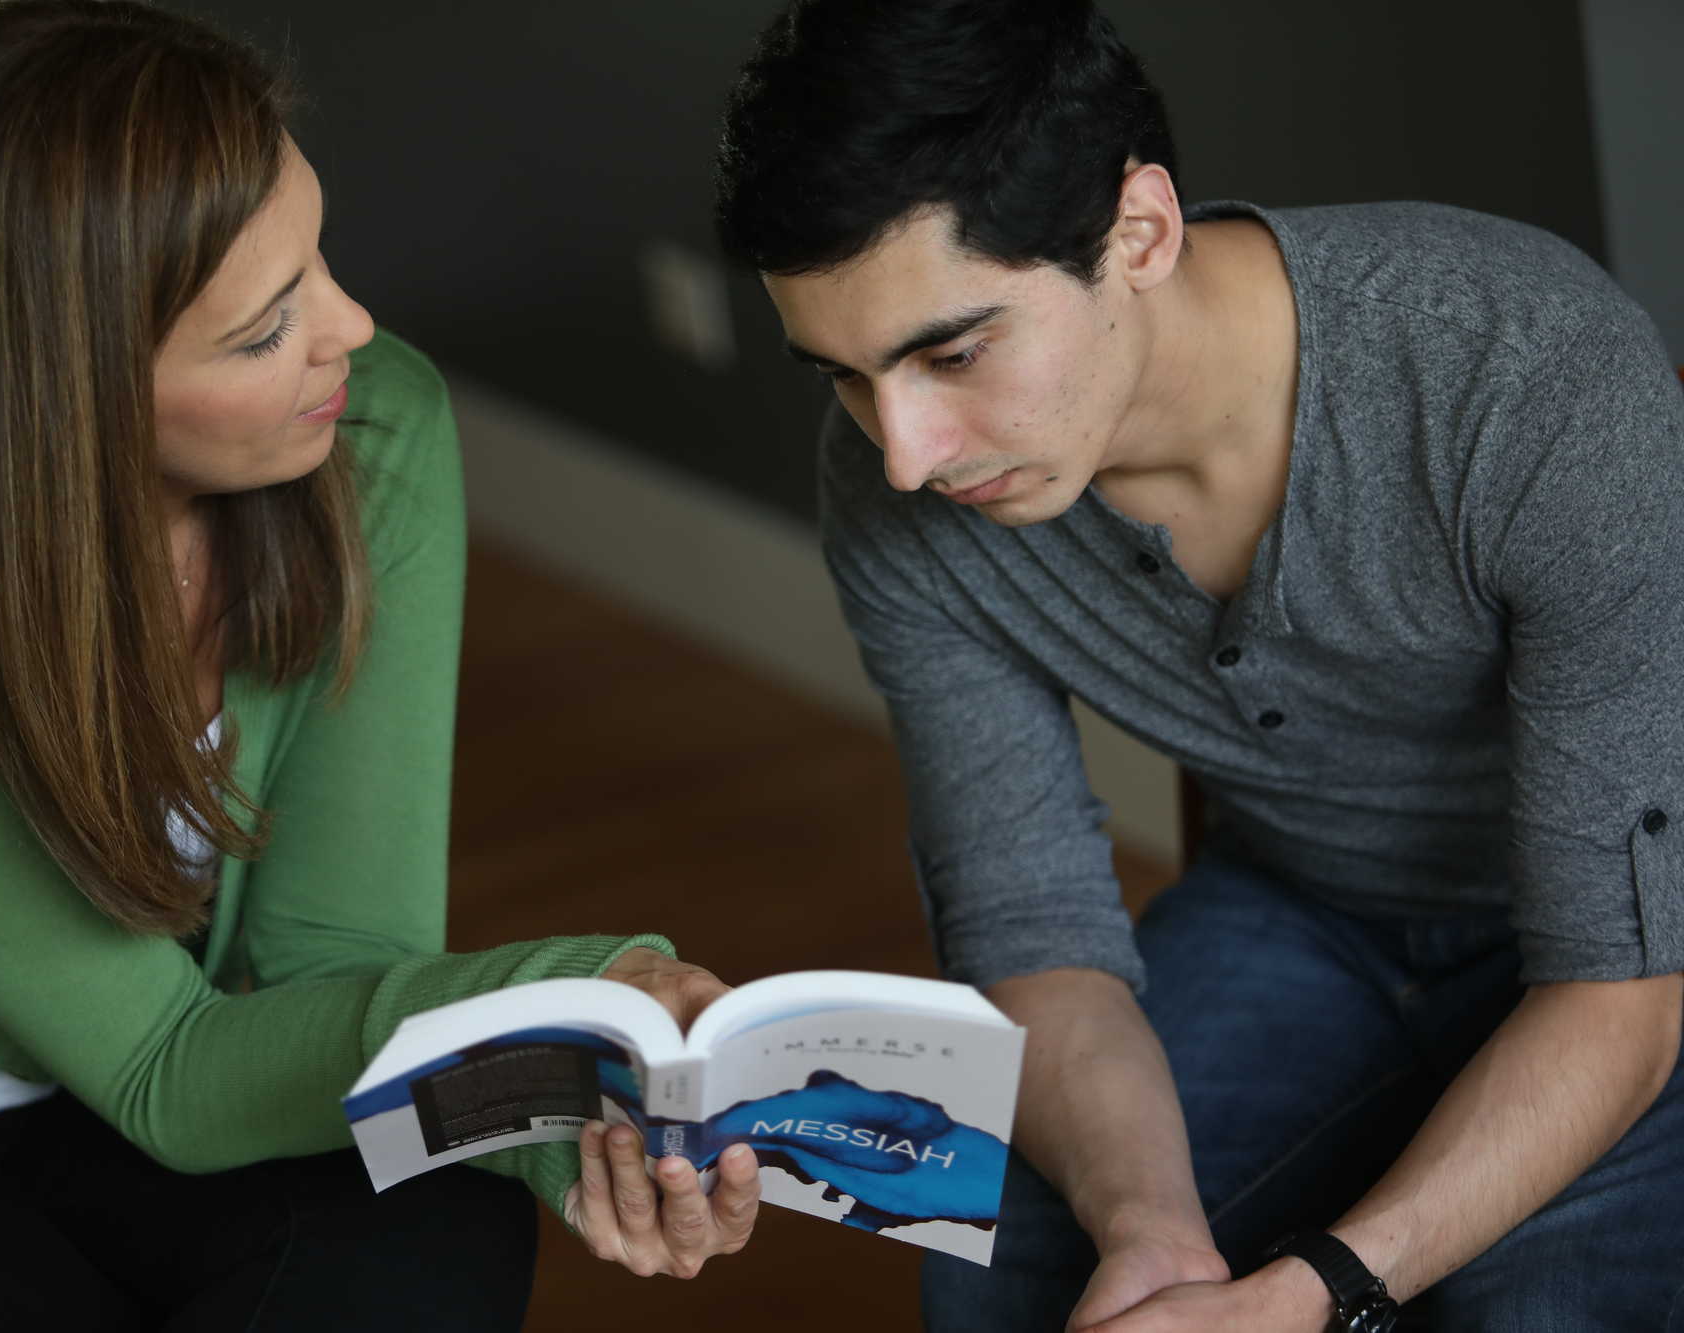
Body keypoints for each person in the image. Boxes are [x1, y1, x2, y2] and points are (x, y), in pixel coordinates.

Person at [0, 3, 757, 1328]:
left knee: (438, 1209)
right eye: (263, 330)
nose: (351, 327)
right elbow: (167, 1072)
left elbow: (336, 959)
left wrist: (571, 1106)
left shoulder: (376, 432)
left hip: (156, 1058)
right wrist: (565, 993)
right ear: (61, 397)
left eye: (318, 259)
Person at [713, 1, 1684, 1329]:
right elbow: (1031, 926)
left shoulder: (1527, 381)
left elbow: (1618, 994)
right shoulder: (893, 498)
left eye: (954, 351)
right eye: (845, 375)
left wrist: (1318, 1287)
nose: (906, 452)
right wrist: (1151, 1232)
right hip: (1308, 906)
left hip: (1636, 964)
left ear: (1142, 232)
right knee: (1015, 1280)